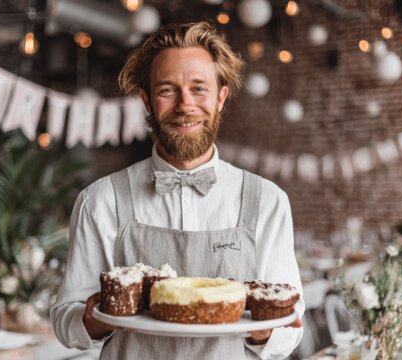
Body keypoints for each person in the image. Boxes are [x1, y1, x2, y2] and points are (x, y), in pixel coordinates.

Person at [51, 22, 304, 359]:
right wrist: (95, 319)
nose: (185, 105)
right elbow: (65, 319)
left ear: (220, 98)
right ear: (146, 100)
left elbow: (290, 330)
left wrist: (265, 330)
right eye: (168, 90)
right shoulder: (100, 201)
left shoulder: (268, 202)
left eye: (199, 88)